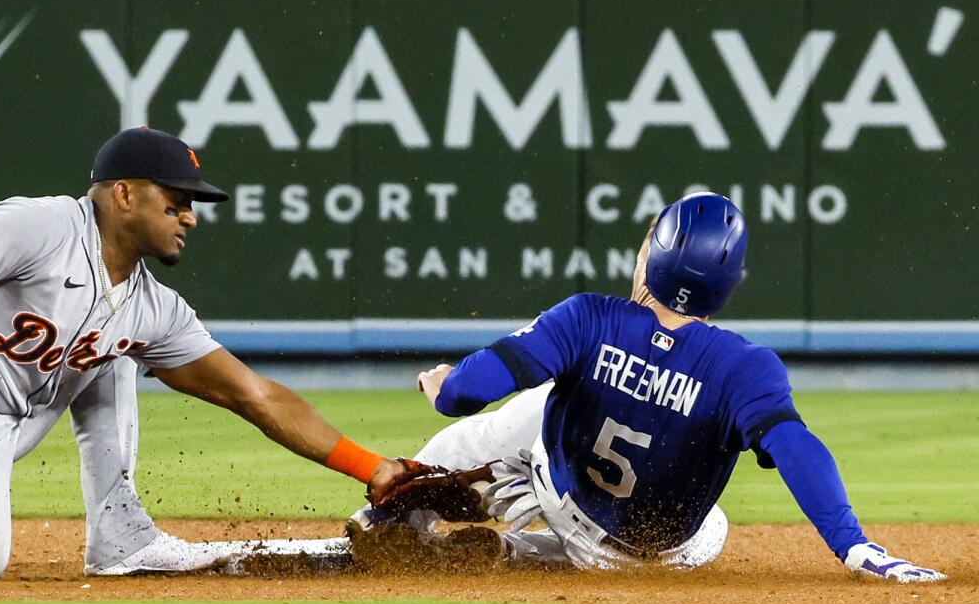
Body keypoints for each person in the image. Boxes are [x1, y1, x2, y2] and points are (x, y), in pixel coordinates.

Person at [0, 127, 405, 581]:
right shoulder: (42, 228)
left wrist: (373, 468)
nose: (190, 217)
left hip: (14, 421)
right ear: (124, 194)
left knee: (116, 344)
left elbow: (253, 393)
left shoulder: (151, 305)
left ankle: (121, 534)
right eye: (176, 201)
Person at [354, 192, 945, 583]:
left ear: (651, 256)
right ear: (730, 283)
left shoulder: (588, 318)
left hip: (565, 496)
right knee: (710, 522)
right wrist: (853, 544)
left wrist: (442, 386)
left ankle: (389, 517)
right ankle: (515, 553)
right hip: (668, 554)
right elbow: (797, 449)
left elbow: (470, 391)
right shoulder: (747, 367)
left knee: (529, 411)